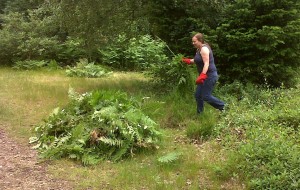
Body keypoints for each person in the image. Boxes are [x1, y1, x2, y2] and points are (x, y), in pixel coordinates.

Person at [182, 33, 225, 114]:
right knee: (198, 95)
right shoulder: (199, 49)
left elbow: (206, 63)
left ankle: (224, 107)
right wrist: (187, 61)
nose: (193, 43)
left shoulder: (204, 49)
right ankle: (200, 114)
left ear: (200, 40)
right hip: (205, 76)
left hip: (210, 75)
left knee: (206, 96)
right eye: (192, 41)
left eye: (194, 41)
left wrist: (202, 75)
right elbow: (197, 60)